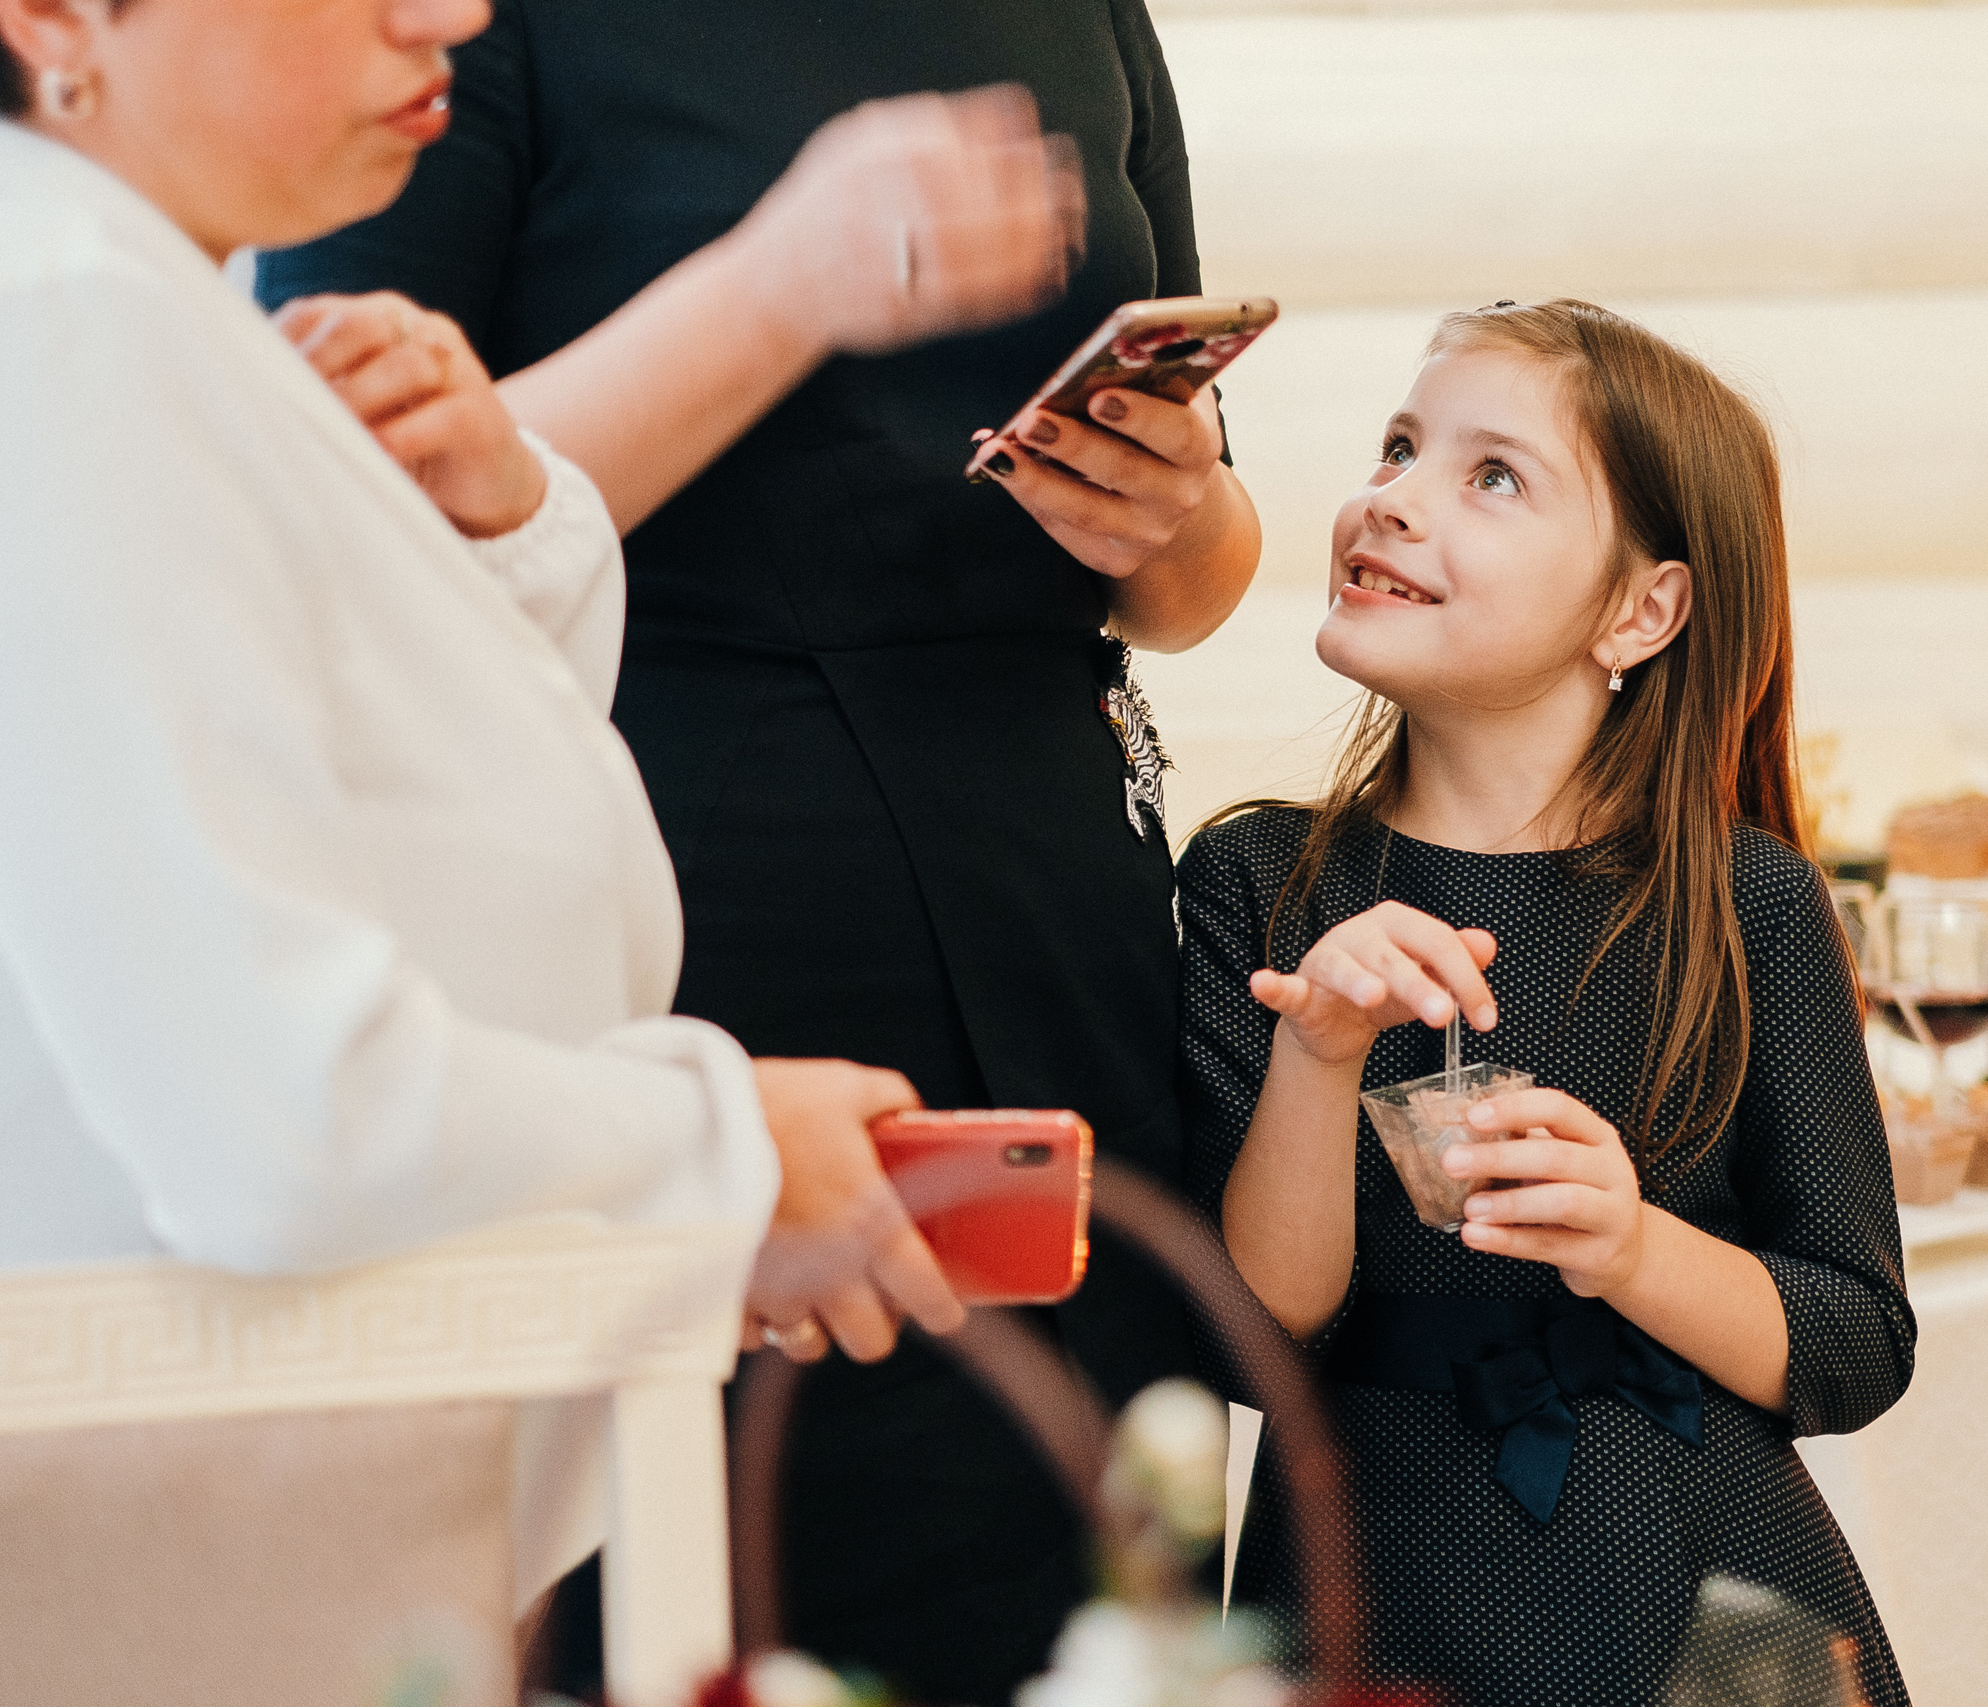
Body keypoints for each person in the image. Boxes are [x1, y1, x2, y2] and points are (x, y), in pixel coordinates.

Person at [0, 0, 1099, 1613]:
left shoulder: (91, 287)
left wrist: (495, 516)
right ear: (57, 14)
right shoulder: (42, 323)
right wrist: (724, 1150)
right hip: (117, 1535)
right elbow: (281, 1115)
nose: (451, 12)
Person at [256, 7, 1260, 1698]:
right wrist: (782, 283)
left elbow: (1199, 575)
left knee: (1110, 1580)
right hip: (702, 914)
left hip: (1063, 907)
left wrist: (1176, 516)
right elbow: (351, 532)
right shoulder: (455, 25)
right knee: (734, 1576)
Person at [1179, 301, 1913, 1706]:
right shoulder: (1257, 882)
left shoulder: (1747, 905)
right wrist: (1318, 1055)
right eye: (1397, 448)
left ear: (1641, 612)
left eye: (1489, 475)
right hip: (1360, 1602)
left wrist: (1632, 1246)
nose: (1390, 499)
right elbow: (1258, 1341)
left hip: (1694, 1614)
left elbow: (1854, 1345)